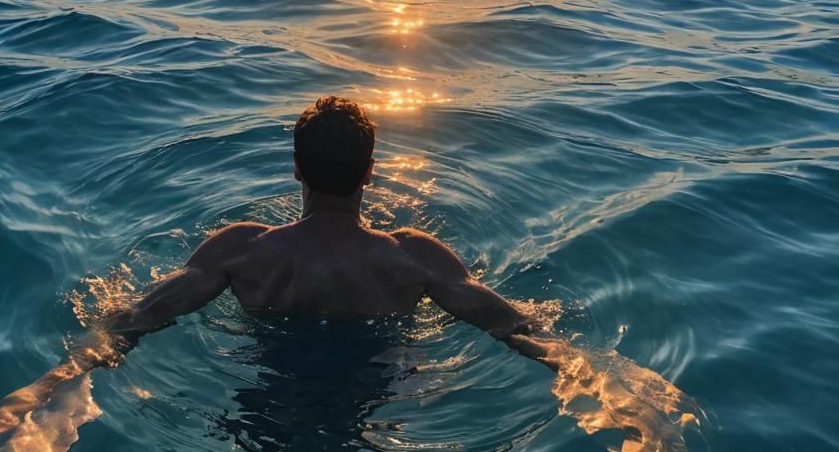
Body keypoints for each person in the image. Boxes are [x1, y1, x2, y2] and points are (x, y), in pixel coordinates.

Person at [82, 95, 551, 368]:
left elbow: (135, 318)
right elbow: (516, 328)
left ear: (295, 170)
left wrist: (68, 372)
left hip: (270, 381)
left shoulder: (241, 248)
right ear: (370, 172)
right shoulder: (414, 257)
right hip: (372, 388)